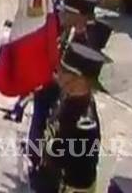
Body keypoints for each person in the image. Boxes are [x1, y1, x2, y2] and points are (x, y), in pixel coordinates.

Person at [26, 43, 105, 193]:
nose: (58, 73)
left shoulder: (84, 126)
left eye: (63, 71)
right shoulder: (67, 94)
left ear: (80, 80)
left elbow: (80, 181)